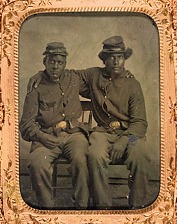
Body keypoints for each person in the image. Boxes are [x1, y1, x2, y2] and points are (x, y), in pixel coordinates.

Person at [27, 36, 150, 209]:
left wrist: (124, 140)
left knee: (140, 155)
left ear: (124, 59)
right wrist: (41, 73)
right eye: (111, 57)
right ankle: (102, 207)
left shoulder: (133, 84)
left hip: (131, 134)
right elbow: (63, 74)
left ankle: (137, 207)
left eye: (120, 57)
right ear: (104, 60)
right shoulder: (93, 75)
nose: (116, 62)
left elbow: (140, 123)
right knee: (94, 155)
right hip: (102, 133)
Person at [20, 42, 90, 209]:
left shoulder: (74, 78)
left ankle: (82, 209)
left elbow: (101, 75)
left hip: (74, 135)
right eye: (51, 62)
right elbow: (26, 125)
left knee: (81, 159)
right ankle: (47, 209)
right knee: (37, 163)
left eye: (60, 62)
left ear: (65, 64)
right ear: (45, 62)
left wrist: (125, 75)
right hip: (46, 137)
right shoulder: (36, 87)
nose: (55, 66)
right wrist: (44, 137)